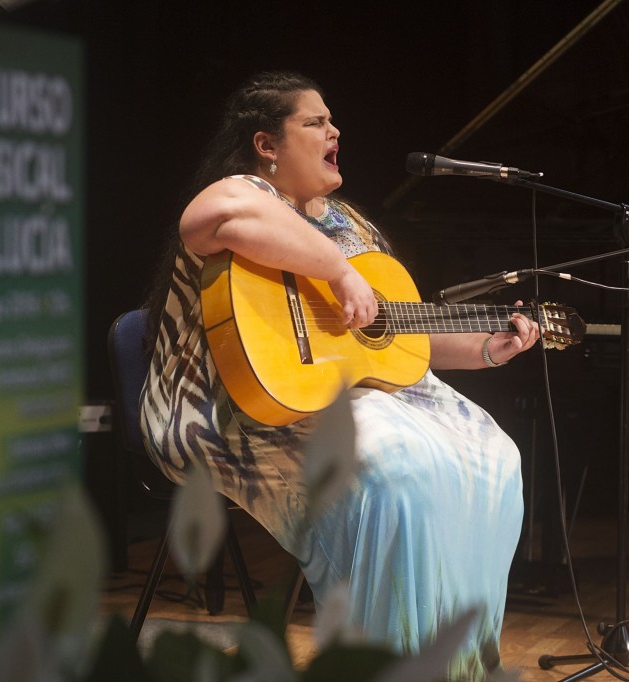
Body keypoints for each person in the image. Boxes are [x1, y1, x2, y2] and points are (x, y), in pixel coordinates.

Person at [138, 71, 540, 680]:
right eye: (315, 122)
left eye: (331, 120)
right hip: (231, 406)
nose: (335, 131)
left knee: (495, 456)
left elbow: (393, 340)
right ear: (266, 145)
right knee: (397, 463)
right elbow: (208, 219)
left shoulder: (351, 224)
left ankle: (458, 665)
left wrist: (488, 349)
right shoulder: (242, 192)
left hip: (342, 393)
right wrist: (339, 270)